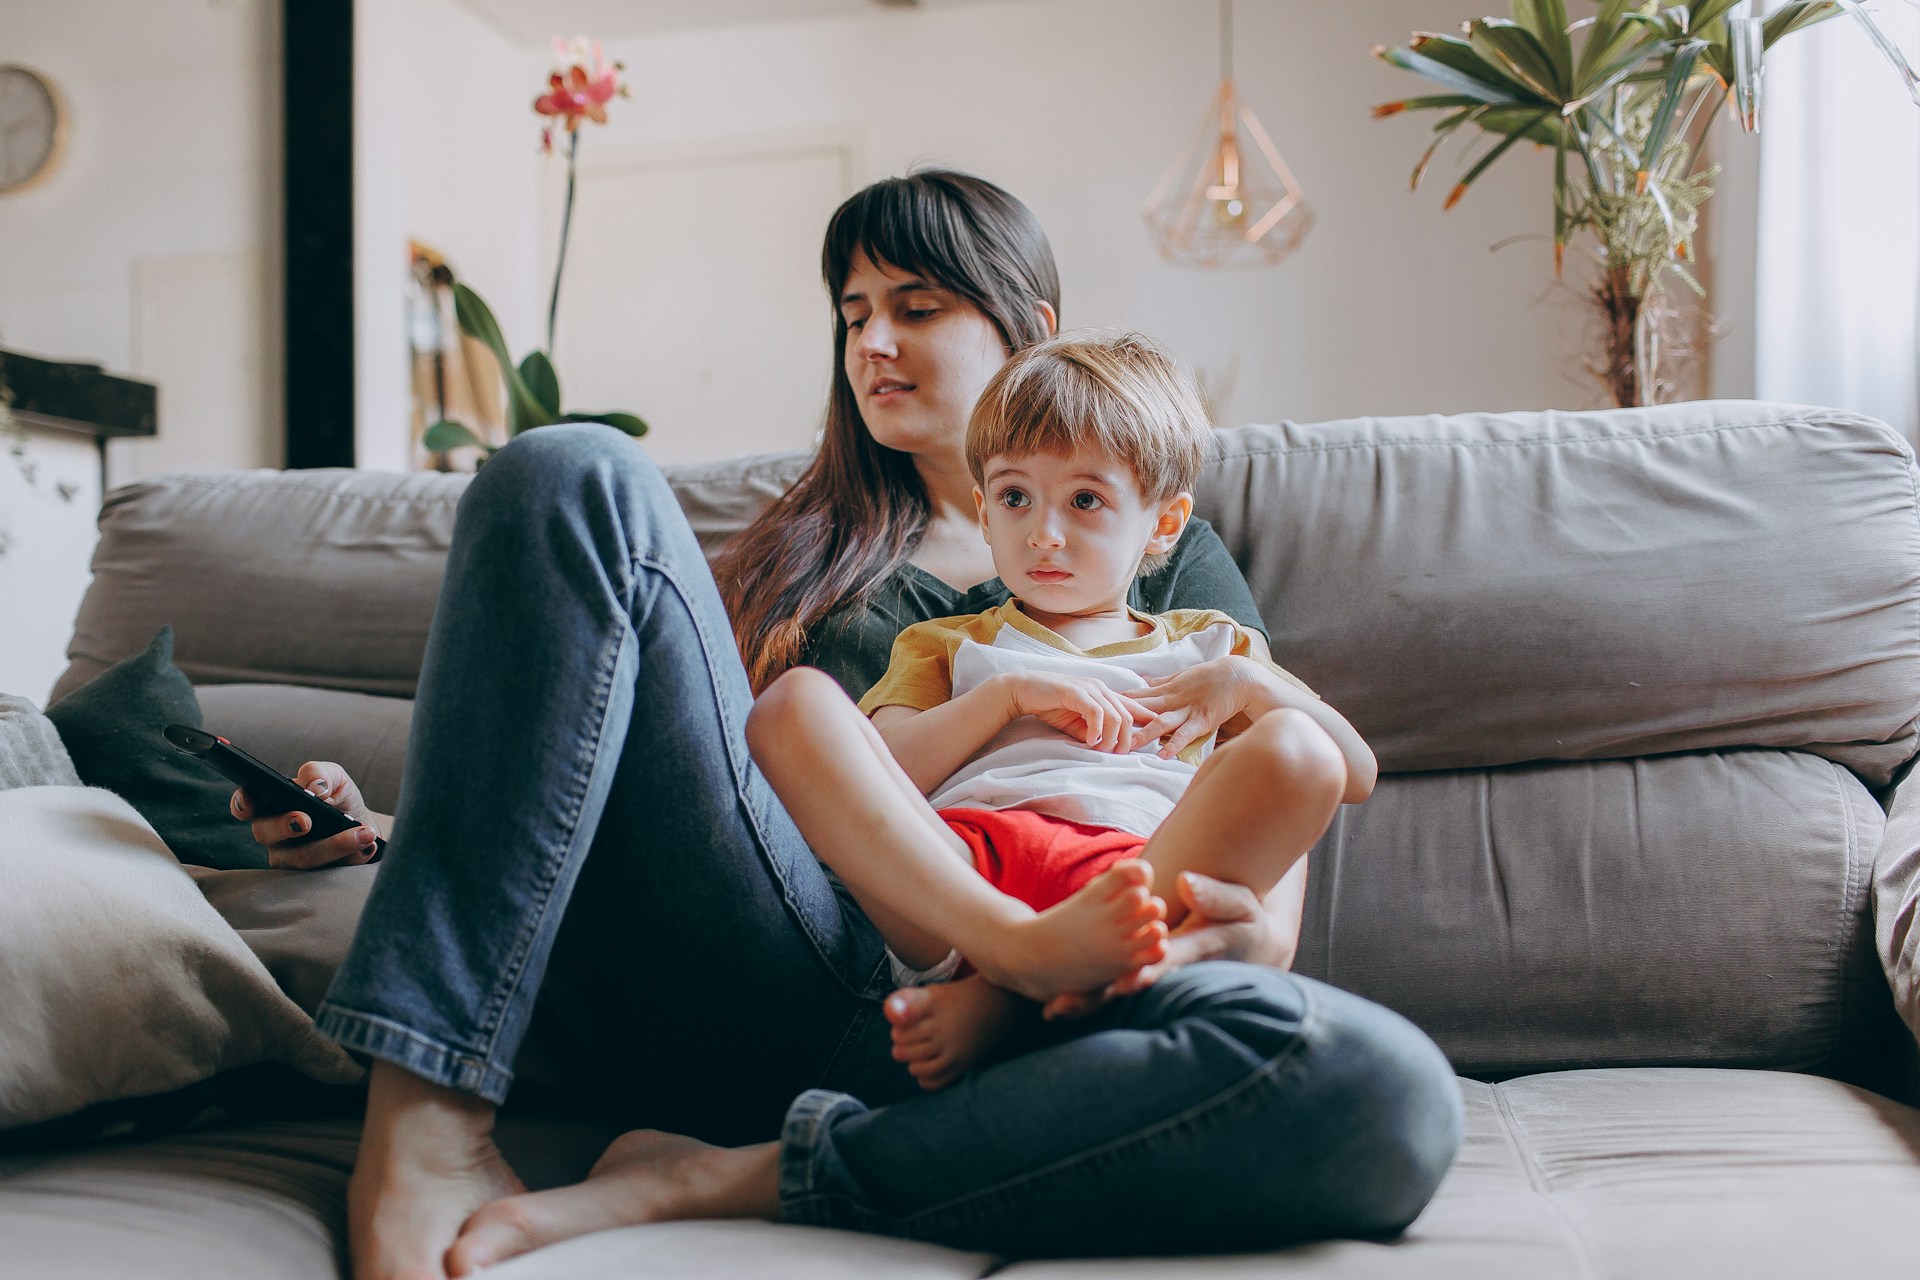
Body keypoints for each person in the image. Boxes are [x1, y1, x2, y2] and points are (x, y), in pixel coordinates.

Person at [228, 171, 1462, 1280]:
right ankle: (425, 1126)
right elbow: (643, 799)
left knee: (1386, 1093)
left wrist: (1187, 948)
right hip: (803, 952)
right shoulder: (795, 560)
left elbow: (1264, 799)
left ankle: (749, 1168)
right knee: (568, 469)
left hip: (1030, 1018)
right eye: (853, 309)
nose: (872, 339)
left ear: (1029, 329)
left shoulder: (1156, 548)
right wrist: (384, 828)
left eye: (917, 305)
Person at [747, 329, 1376, 1091]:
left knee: (1299, 751)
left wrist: (1248, 686)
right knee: (793, 705)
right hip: (963, 883)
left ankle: (1013, 997)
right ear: (984, 511)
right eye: (1016, 497)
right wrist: (1003, 697)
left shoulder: (1213, 646)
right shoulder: (944, 642)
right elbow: (890, 775)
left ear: (1165, 525)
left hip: (1139, 880)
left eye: (1085, 500)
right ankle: (1023, 958)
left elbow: (1353, 773)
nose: (1044, 533)